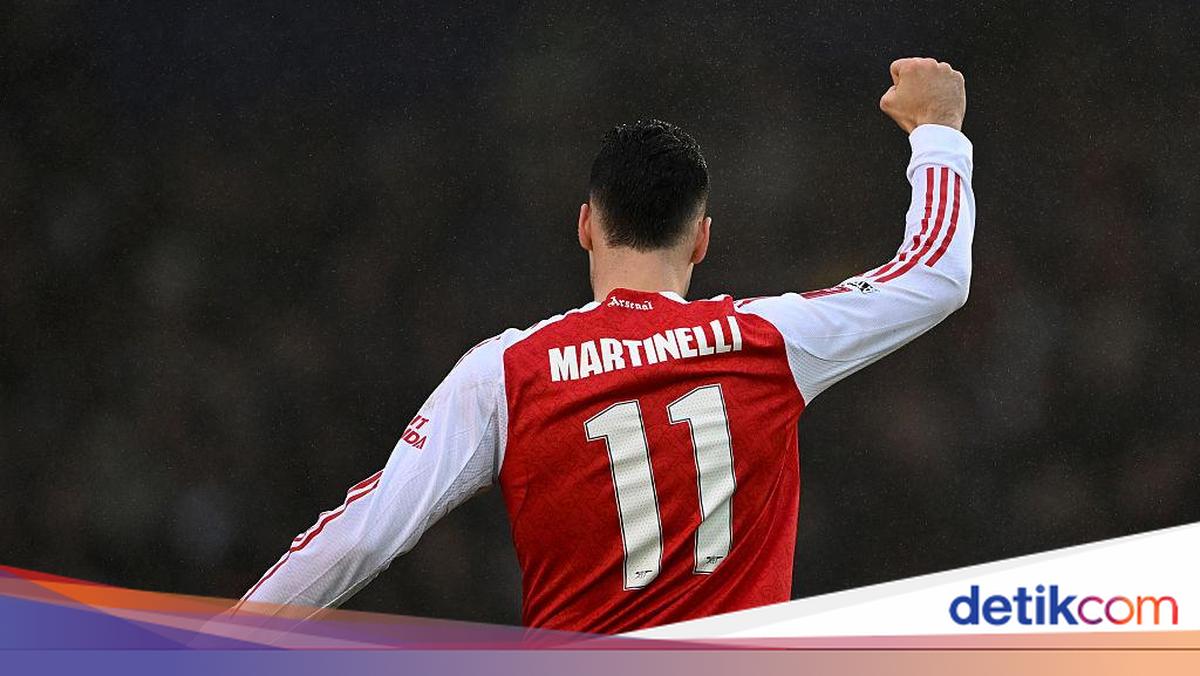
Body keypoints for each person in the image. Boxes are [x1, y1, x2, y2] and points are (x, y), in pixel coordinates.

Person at [236, 57, 974, 634]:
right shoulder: (766, 340)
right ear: (702, 238)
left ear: (586, 225)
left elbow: (360, 537)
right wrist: (938, 129)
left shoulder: (508, 372)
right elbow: (933, 274)